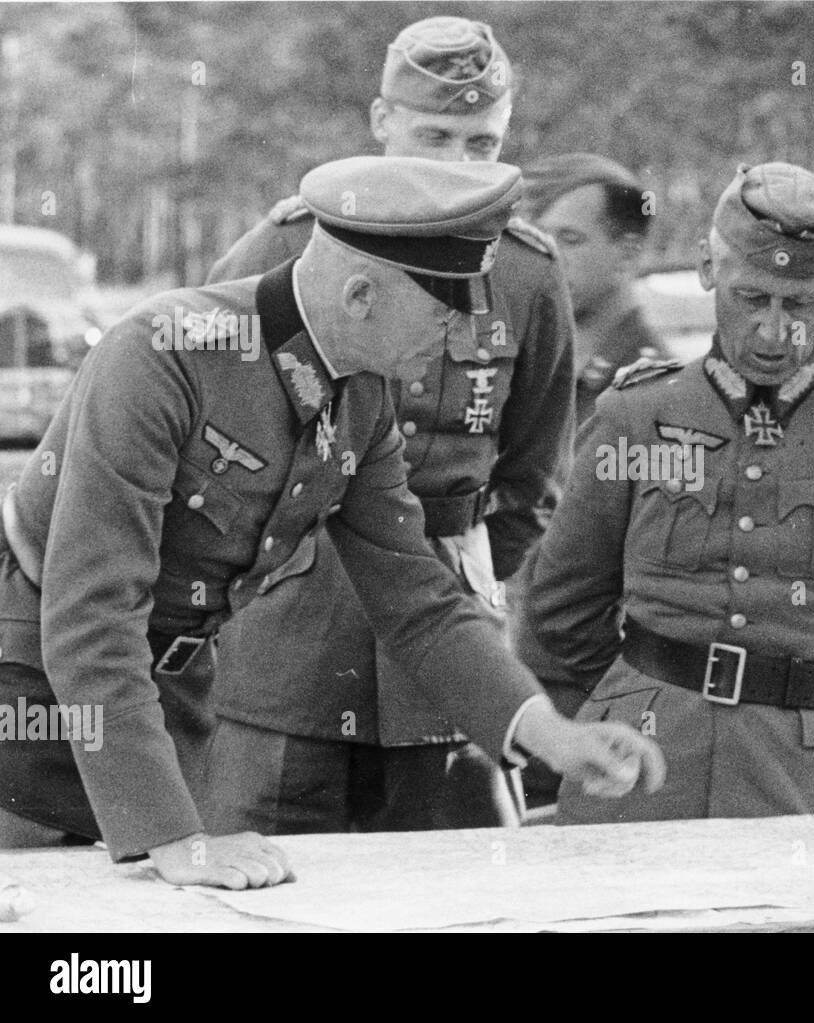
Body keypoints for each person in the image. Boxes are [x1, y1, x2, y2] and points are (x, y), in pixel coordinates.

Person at [0, 156, 664, 887]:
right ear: (358, 294)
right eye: (445, 311)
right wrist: (171, 833)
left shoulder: (362, 398)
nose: (460, 333)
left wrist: (552, 735)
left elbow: (419, 599)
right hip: (29, 694)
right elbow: (92, 612)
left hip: (162, 699)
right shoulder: (164, 355)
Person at [203, 16, 576, 833]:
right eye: (433, 136)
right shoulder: (287, 243)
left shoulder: (524, 271)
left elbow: (534, 475)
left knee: (457, 882)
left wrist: (455, 555)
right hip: (293, 615)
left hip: (445, 614)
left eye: (481, 144)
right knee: (259, 870)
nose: (456, 166)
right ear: (381, 125)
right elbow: (212, 437)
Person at [519, 162, 814, 823]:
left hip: (808, 775)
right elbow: (560, 605)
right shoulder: (639, 415)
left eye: (798, 304)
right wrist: (643, 686)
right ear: (709, 268)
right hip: (645, 761)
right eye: (749, 297)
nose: (772, 331)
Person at [520, 153, 667, 424]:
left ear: (627, 254)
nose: (547, 257)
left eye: (570, 239)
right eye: (537, 237)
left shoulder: (652, 392)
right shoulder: (537, 370)